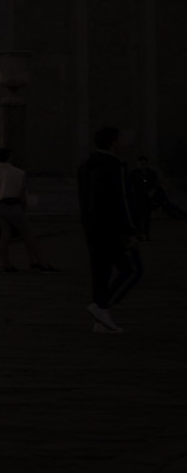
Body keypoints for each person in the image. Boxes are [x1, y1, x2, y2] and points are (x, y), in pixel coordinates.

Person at [78, 128, 139, 333]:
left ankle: (100, 321)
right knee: (132, 270)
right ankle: (102, 306)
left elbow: (83, 199)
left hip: (92, 227)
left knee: (100, 272)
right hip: (112, 228)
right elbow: (122, 200)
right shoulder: (115, 166)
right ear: (113, 143)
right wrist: (130, 231)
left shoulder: (85, 165)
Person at [0, 149, 54, 272]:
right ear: (10, 157)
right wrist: (24, 206)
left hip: (0, 206)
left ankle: (6, 263)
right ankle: (40, 262)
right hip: (14, 205)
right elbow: (22, 193)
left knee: (4, 236)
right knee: (28, 235)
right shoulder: (18, 172)